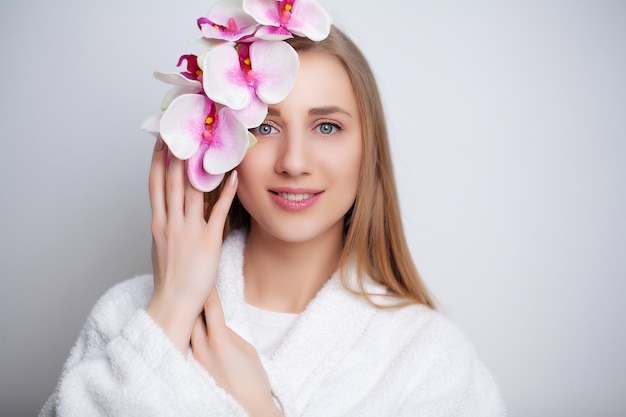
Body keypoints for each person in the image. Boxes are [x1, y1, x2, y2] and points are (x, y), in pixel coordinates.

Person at [40, 1, 506, 416]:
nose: (295, 163)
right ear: (223, 141)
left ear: (369, 150)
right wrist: (170, 311)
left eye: (327, 127)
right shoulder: (129, 314)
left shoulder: (427, 356)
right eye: (264, 128)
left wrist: (261, 410)